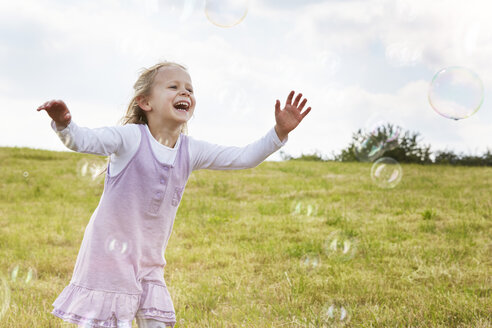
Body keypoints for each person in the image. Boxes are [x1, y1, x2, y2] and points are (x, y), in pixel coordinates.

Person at [37, 61, 311, 328]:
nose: (185, 93)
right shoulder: (130, 138)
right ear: (146, 102)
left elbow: (243, 157)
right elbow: (86, 140)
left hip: (150, 261)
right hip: (108, 258)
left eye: (189, 90)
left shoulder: (190, 150)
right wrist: (65, 125)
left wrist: (279, 132)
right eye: (173, 86)